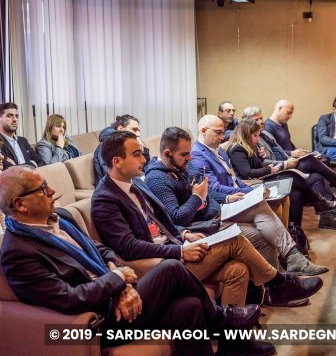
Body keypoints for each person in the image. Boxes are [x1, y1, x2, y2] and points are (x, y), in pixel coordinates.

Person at [0, 166, 269, 356]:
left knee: (188, 307)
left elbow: (101, 249)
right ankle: (223, 320)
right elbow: (69, 298)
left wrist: (120, 278)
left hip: (114, 293)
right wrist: (117, 281)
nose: (52, 191)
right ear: (20, 204)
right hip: (104, 320)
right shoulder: (18, 252)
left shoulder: (60, 219)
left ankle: (225, 332)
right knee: (172, 269)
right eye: (43, 188)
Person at [92, 131, 323, 308]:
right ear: (117, 161)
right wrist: (182, 249)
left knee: (238, 269)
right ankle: (278, 284)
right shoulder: (105, 199)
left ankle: (234, 341)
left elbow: (162, 220)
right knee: (235, 240)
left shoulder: (137, 183)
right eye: (136, 154)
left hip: (177, 242)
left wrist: (183, 234)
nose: (143, 158)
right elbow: (129, 247)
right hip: (160, 265)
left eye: (142, 152)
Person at [144, 126, 328, 276]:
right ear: (167, 154)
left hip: (218, 209)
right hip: (203, 223)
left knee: (260, 205)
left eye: (189, 153)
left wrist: (226, 197)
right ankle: (277, 278)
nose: (189, 158)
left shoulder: (184, 165)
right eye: (184, 155)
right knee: (259, 234)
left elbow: (206, 192)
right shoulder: (158, 179)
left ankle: (293, 258)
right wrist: (196, 197)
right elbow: (177, 218)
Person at [227, 119, 336, 231]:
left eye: (258, 135)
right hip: (254, 185)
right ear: (246, 134)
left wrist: (260, 157)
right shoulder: (237, 149)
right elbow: (247, 173)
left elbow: (255, 166)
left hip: (260, 179)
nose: (258, 139)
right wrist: (269, 169)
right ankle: (321, 201)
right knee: (292, 177)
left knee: (296, 193)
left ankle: (295, 231)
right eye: (255, 136)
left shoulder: (248, 147)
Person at [242, 106, 336, 192]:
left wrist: (296, 154)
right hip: (276, 170)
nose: (261, 122)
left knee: (318, 164)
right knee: (312, 160)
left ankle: (330, 209)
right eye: (256, 120)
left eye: (261, 118)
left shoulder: (264, 133)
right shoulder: (254, 136)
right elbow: (261, 164)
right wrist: (286, 162)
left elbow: (279, 149)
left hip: (284, 161)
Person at [93, 114, 150, 184]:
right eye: (134, 130)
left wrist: (142, 150)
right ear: (120, 128)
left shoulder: (129, 143)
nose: (138, 134)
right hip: (114, 188)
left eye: (138, 130)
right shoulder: (106, 145)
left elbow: (144, 166)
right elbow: (113, 174)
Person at [0, 102, 42, 169]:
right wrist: (32, 163)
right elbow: (7, 169)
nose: (14, 120)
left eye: (16, 116)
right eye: (9, 116)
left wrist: (16, 166)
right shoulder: (0, 142)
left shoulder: (23, 141)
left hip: (33, 177)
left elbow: (41, 162)